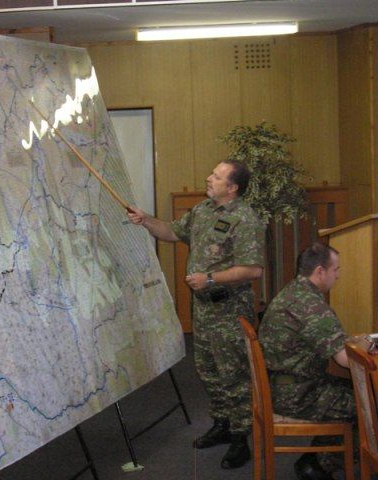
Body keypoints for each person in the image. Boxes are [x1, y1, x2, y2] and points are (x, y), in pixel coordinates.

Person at [128, 160, 265, 469]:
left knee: (235, 374)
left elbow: (252, 269)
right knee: (208, 370)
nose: (208, 178)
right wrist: (145, 219)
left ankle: (241, 437)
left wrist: (211, 279)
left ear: (232, 188)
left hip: (230, 310)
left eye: (216, 176)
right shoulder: (203, 211)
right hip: (203, 310)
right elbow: (171, 232)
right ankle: (222, 423)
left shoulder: (245, 219)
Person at [259, 243, 355, 480]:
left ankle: (315, 460)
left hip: (280, 385)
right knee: (368, 402)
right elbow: (344, 360)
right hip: (298, 394)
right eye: (335, 269)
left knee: (353, 392)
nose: (338, 275)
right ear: (320, 271)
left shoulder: (292, 292)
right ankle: (319, 465)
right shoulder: (312, 306)